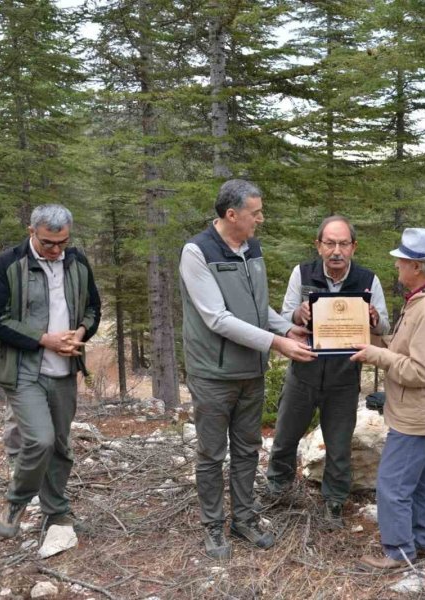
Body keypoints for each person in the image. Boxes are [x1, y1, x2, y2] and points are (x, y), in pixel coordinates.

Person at [179, 179, 317, 559]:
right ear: (231, 214)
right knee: (211, 453)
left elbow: (257, 309)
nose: (261, 218)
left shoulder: (252, 247)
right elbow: (218, 319)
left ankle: (244, 518)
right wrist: (278, 343)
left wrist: (284, 326)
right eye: (255, 213)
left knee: (247, 449)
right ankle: (212, 525)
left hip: (250, 372)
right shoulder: (197, 252)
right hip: (213, 374)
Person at [0, 204, 101, 539]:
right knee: (39, 439)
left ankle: (57, 513)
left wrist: (80, 333)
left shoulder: (76, 260)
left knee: (61, 445)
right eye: (48, 242)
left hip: (65, 368)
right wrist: (44, 339)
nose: (55, 250)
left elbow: (93, 307)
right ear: (31, 231)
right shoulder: (9, 264)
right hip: (23, 368)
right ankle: (15, 502)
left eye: (61, 242)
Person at [265, 216, 390, 527]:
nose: (337, 251)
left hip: (344, 374)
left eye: (343, 244)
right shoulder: (302, 273)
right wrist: (298, 313)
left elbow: (386, 325)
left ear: (353, 247)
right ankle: (278, 490)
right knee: (285, 435)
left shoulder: (367, 279)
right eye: (330, 243)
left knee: (338, 443)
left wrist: (373, 317)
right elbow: (283, 316)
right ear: (318, 245)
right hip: (304, 368)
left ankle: (334, 502)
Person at [350, 228, 425, 570]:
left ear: (416, 266)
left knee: (393, 483)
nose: (396, 266)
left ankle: (398, 550)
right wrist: (378, 335)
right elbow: (408, 350)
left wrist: (376, 355)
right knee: (423, 479)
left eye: (401, 260)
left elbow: (420, 372)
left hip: (417, 412)